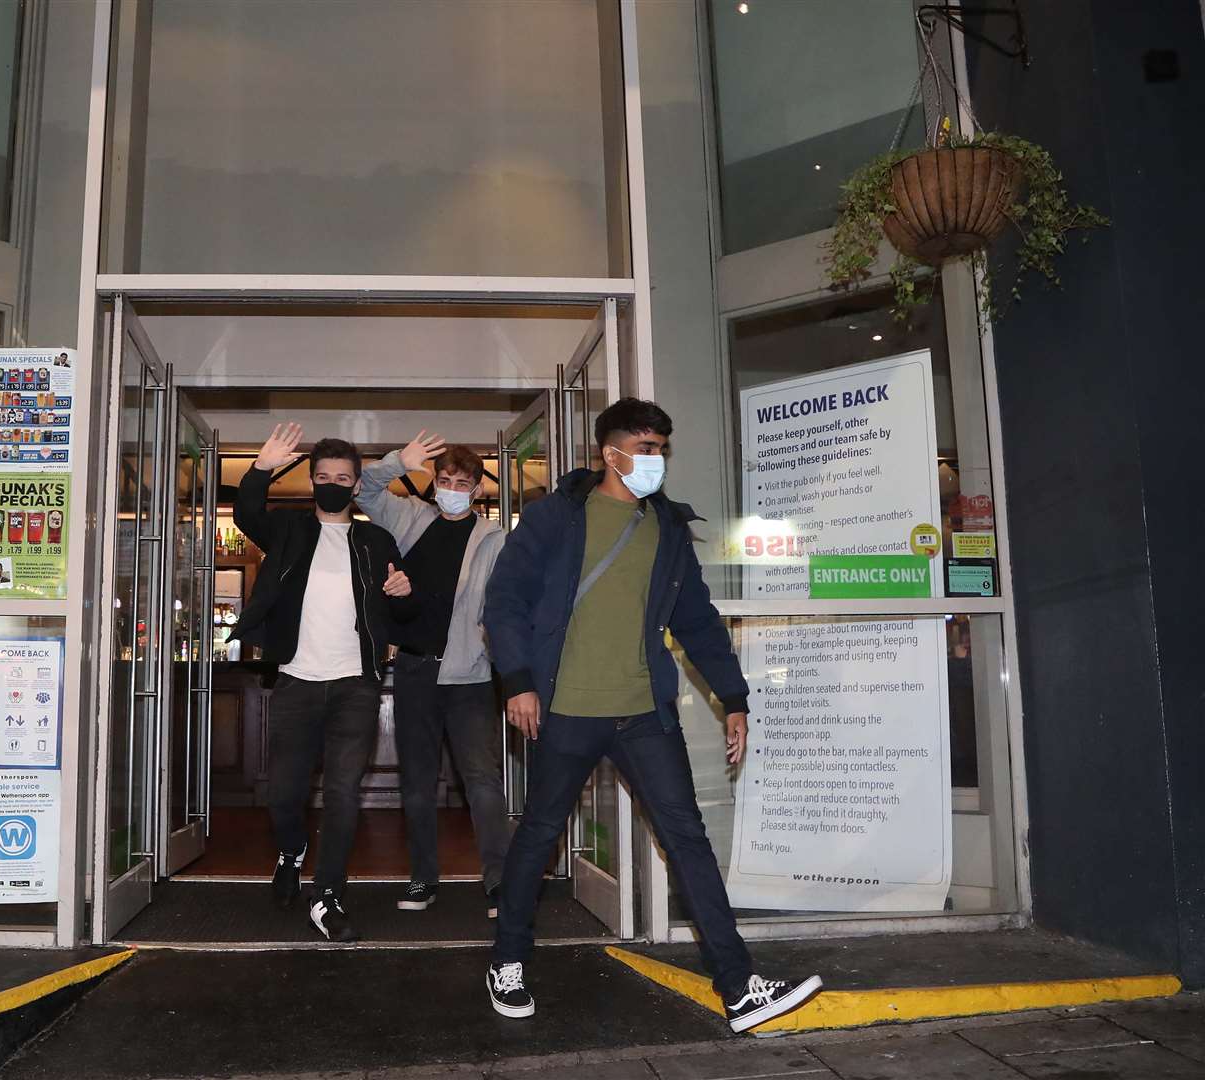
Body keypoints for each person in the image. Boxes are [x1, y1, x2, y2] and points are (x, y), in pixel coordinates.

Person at [481, 398, 821, 1033]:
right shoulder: (556, 517)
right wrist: (518, 683)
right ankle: (508, 960)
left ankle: (740, 986)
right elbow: (504, 600)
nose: (655, 460)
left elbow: (696, 619)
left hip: (643, 711)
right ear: (609, 454)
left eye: (662, 448)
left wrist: (734, 696)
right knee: (539, 834)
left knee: (687, 837)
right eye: (644, 448)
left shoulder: (666, 528)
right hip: (566, 709)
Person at [230, 423, 418, 942]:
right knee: (284, 795)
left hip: (356, 685)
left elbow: (403, 611)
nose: (333, 483)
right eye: (323, 476)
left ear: (357, 486)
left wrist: (402, 592)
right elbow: (247, 515)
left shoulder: (376, 539)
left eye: (343, 476)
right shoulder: (288, 531)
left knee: (341, 793)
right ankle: (291, 850)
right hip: (296, 681)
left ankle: (328, 892)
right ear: (312, 482)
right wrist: (262, 468)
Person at [357, 432, 509, 917]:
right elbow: (363, 491)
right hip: (416, 670)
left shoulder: (496, 538)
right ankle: (423, 878)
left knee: (482, 781)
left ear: (478, 489)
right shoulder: (411, 518)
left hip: (471, 676)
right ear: (433, 483)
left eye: (462, 483)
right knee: (418, 782)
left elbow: (506, 605)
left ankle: (500, 884)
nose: (451, 489)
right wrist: (398, 462)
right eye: (443, 480)